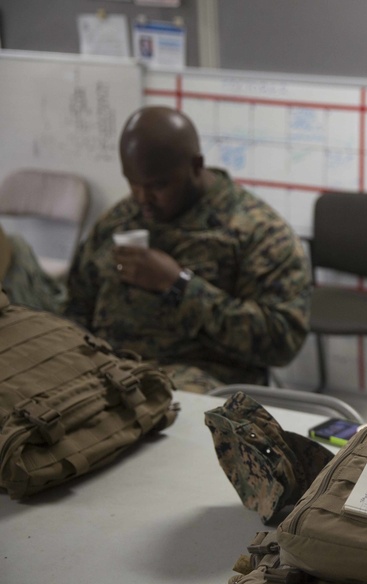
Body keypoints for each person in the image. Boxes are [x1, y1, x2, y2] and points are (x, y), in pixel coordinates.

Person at [63, 106, 311, 393]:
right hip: (109, 374)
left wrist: (178, 286)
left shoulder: (256, 231)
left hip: (199, 384)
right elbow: (76, 307)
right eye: (133, 183)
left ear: (195, 166)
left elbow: (281, 341)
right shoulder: (118, 221)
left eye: (158, 185)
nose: (143, 198)